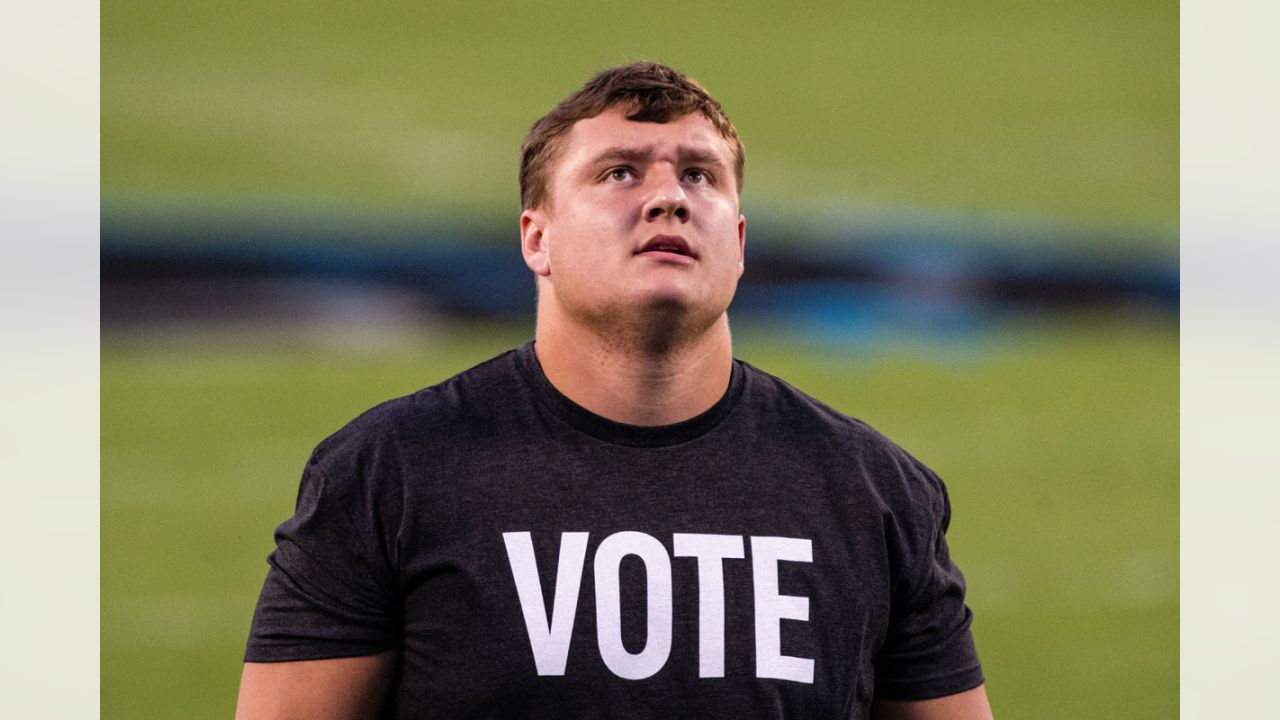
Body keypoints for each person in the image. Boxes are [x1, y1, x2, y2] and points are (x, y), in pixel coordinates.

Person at [236, 61, 993, 719]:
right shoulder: (389, 473)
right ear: (537, 238)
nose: (669, 198)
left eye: (698, 174)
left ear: (736, 240)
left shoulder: (875, 492)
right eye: (620, 172)